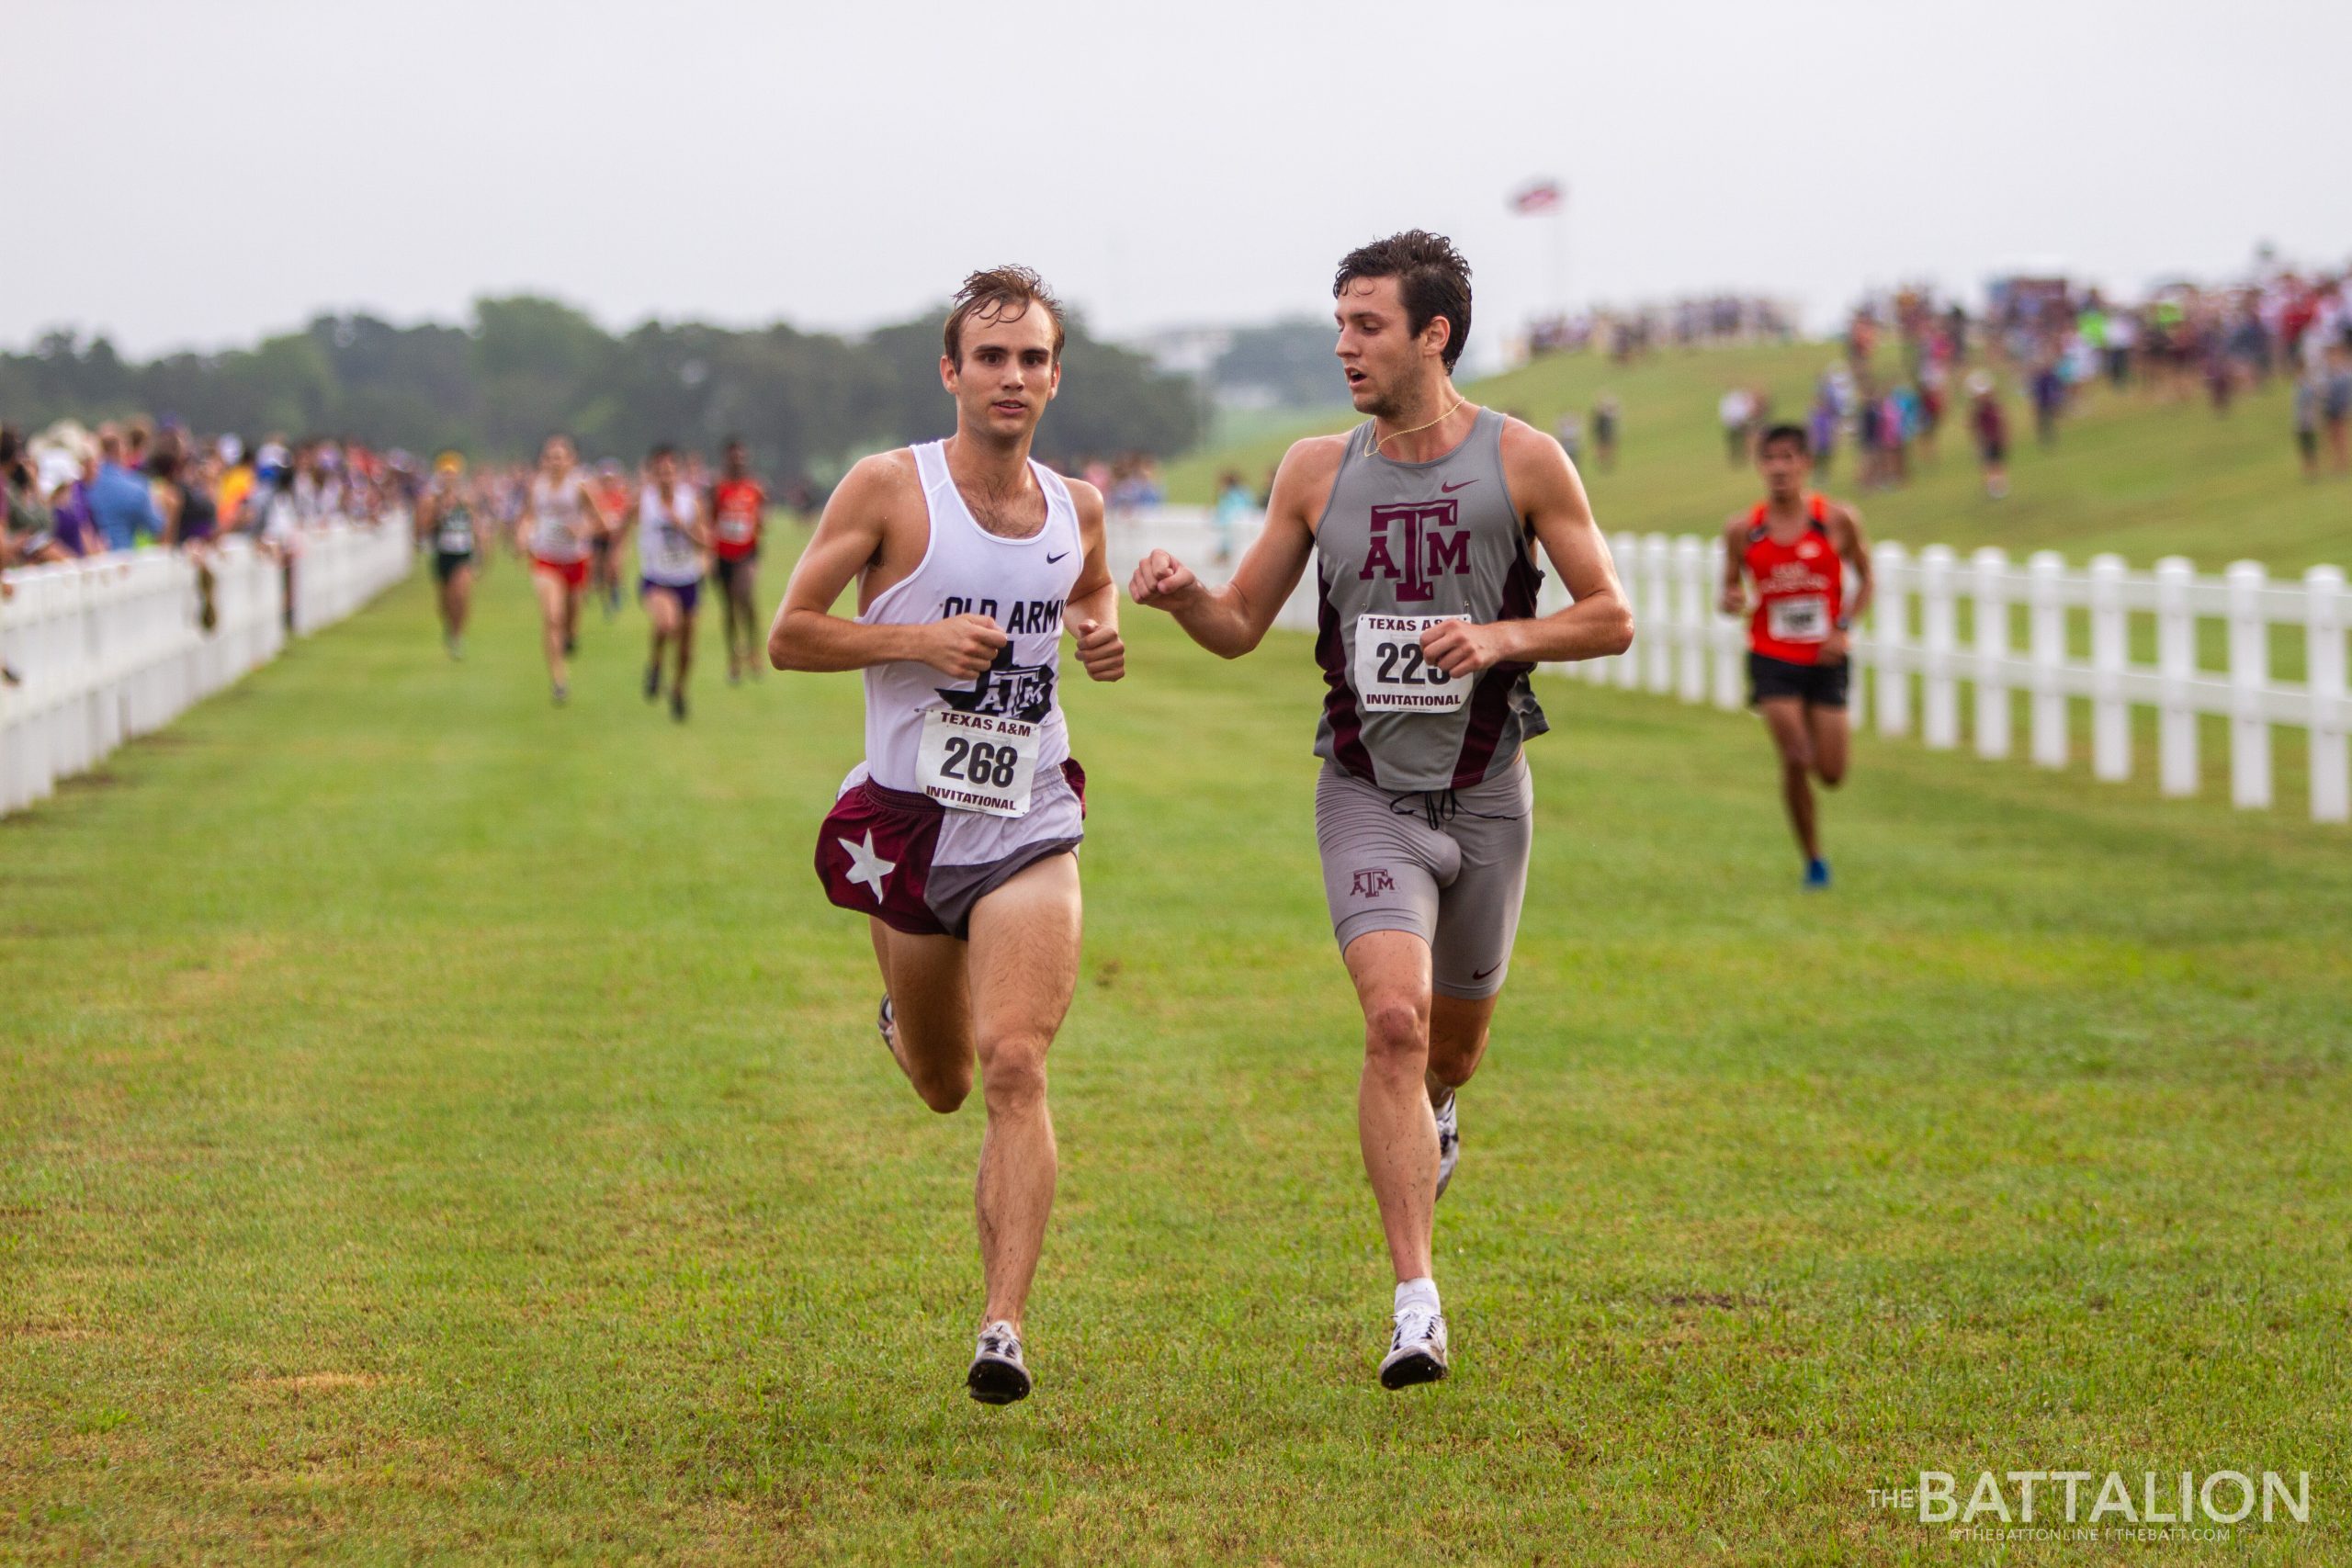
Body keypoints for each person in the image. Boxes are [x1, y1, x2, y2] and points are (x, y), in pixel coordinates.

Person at [1128, 231, 1633, 1390]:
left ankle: (1439, 1112)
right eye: (1339, 324)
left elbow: (1609, 615)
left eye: (1368, 326)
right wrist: (1183, 598)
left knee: (1449, 1051)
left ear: (1433, 334)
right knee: (1392, 1026)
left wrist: (1504, 636)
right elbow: (1239, 626)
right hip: (1363, 793)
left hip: (1490, 795)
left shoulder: (1527, 460)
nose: (1345, 346)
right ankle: (1416, 1304)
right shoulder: (1315, 470)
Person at [767, 265, 1125, 1405]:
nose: (1011, 377)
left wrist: (1103, 631)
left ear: (1055, 376)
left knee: (1015, 1061)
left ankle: (1002, 1328)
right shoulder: (889, 490)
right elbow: (790, 634)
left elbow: (1090, 592)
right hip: (910, 821)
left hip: (1028, 810)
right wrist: (916, 638)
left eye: (1032, 360)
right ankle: (904, 1020)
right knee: (941, 1081)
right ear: (951, 372)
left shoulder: (1078, 506)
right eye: (990, 357)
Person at [1718, 423, 1874, 889]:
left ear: (1806, 463)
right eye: (1771, 458)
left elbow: (1868, 579)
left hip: (1826, 659)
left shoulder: (1838, 520)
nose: (1780, 467)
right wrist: (1729, 599)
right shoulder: (1743, 530)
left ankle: (1812, 848)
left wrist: (1843, 629)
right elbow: (1729, 587)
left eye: (1789, 457)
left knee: (1830, 773)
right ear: (1760, 465)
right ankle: (1813, 859)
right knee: (1796, 754)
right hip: (1772, 656)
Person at [516, 435, 607, 704]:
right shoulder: (537, 487)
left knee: (570, 617)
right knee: (552, 617)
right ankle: (559, 680)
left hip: (576, 559)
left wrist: (582, 529)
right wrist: (523, 535)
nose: (555, 462)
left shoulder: (581, 486)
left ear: (572, 460)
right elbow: (529, 517)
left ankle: (572, 636)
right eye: (550, 456)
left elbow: (601, 521)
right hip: (546, 559)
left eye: (560, 456)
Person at [631, 444, 710, 721]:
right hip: (656, 578)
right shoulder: (644, 501)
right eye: (660, 472)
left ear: (678, 473)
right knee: (667, 623)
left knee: (687, 649)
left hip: (687, 579)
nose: (666, 476)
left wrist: (684, 528)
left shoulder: (691, 503)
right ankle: (655, 665)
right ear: (652, 474)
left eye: (670, 471)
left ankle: (678, 690)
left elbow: (706, 542)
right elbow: (619, 529)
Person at [710, 439, 768, 683]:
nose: (738, 461)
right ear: (727, 459)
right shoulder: (718, 487)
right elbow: (710, 518)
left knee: (745, 597)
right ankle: (734, 659)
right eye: (734, 457)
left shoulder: (755, 487)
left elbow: (762, 518)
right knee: (729, 609)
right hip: (723, 554)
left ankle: (754, 653)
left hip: (747, 553)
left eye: (742, 457)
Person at [416, 453, 481, 658]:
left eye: (453, 474)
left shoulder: (467, 498)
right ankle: (449, 626)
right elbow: (424, 528)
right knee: (445, 600)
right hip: (443, 552)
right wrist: (439, 512)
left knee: (461, 595)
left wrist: (481, 550)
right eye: (446, 474)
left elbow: (477, 525)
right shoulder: (431, 499)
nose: (449, 478)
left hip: (463, 552)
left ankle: (458, 634)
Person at [1968, 371, 2010, 499]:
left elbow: (2002, 421)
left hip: (1993, 439)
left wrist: (2004, 435)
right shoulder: (1982, 409)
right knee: (1990, 464)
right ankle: (1995, 487)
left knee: (1995, 464)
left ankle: (1997, 487)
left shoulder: (1991, 407)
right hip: (1987, 440)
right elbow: (1974, 426)